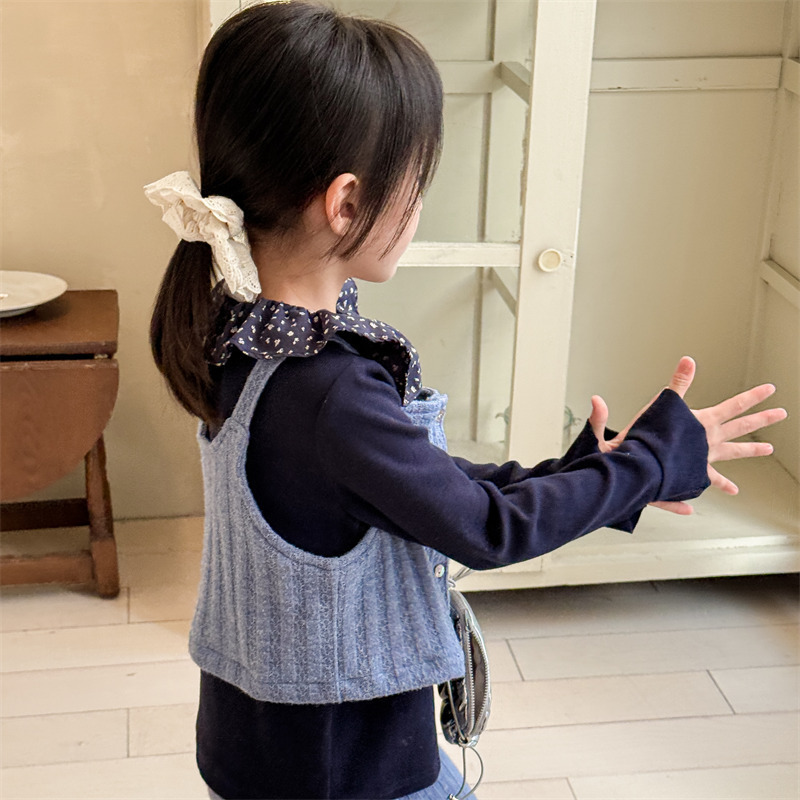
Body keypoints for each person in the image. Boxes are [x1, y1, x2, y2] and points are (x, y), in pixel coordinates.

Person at [144, 3, 787, 799]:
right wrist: (648, 465)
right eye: (416, 184)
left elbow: (416, 485)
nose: (419, 206)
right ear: (346, 203)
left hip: (261, 748)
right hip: (350, 770)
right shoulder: (331, 390)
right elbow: (485, 528)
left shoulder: (241, 333)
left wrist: (600, 473)